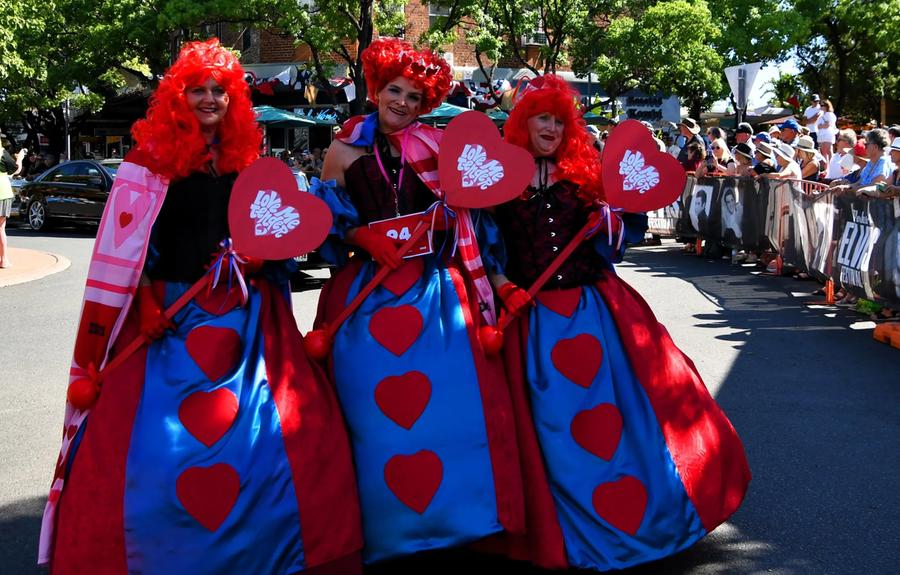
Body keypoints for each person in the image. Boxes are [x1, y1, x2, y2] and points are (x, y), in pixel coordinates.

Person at [40, 39, 363, 574]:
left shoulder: (247, 162)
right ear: (178, 98)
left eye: (219, 90)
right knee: (152, 454)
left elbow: (270, 236)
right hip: (168, 319)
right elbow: (128, 249)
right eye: (198, 90)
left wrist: (261, 260)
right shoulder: (146, 167)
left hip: (246, 315)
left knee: (278, 436)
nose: (210, 99)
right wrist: (144, 306)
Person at [485, 74, 749, 572]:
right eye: (542, 118)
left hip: (594, 310)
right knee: (547, 428)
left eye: (560, 121)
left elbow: (615, 245)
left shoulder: (587, 177)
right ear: (523, 121)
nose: (551, 128)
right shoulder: (502, 182)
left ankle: (642, 515)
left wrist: (610, 223)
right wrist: (503, 287)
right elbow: (484, 245)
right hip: (530, 315)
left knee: (628, 416)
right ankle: (558, 529)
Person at [310, 37, 524, 564]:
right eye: (393, 90)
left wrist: (453, 216)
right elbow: (325, 229)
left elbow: (478, 217)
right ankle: (382, 530)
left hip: (435, 292)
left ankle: (459, 522)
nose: (401, 102)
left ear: (426, 101)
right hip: (365, 295)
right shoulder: (341, 150)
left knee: (454, 410)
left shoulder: (437, 146)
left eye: (413, 95)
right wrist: (361, 237)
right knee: (369, 414)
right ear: (375, 87)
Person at [0, 136, 25, 268]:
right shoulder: (1, 153)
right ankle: (4, 260)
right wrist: (20, 158)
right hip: (2, 193)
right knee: (1, 228)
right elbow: (16, 169)